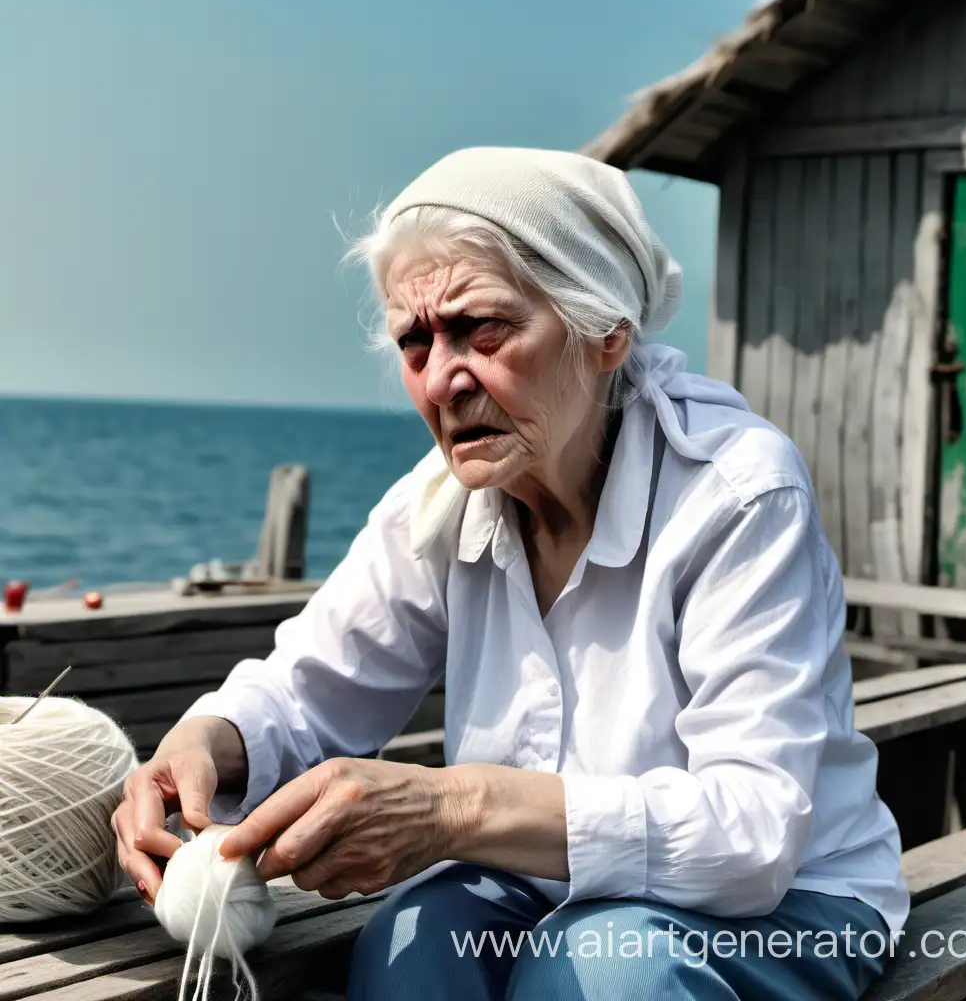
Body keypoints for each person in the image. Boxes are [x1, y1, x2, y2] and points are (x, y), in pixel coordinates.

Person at [112, 146, 909, 1000]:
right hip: (544, 891)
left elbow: (752, 839)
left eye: (480, 328)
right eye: (415, 342)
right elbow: (309, 692)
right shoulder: (438, 504)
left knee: (605, 972)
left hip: (791, 903)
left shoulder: (738, 494)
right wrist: (206, 744)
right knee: (407, 957)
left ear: (605, 330)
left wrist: (453, 808)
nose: (444, 379)